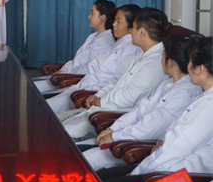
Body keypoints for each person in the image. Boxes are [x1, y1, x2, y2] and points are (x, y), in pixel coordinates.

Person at [101, 37, 213, 182]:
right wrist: (161, 143)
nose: (187, 65)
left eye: (190, 61)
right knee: (101, 179)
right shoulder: (204, 97)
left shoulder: (208, 105)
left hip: (174, 177)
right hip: (163, 166)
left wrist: (138, 172)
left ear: (200, 68)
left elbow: (176, 148)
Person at [83, 35, 202, 170]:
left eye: (163, 56)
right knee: (81, 149)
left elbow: (152, 126)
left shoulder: (187, 93)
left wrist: (116, 136)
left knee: (86, 160)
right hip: (128, 137)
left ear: (171, 62)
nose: (160, 60)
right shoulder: (168, 83)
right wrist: (113, 129)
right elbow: (141, 109)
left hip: (138, 146)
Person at [60, 8, 169, 139]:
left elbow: (129, 98)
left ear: (142, 32)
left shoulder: (155, 63)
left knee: (59, 134)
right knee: (55, 123)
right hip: (103, 107)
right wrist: (98, 96)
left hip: (113, 115)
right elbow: (118, 84)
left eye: (133, 28)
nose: (131, 32)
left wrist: (101, 101)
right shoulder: (143, 55)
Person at [47, 4, 142, 114]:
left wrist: (97, 96)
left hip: (90, 92)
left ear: (132, 26)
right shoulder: (120, 43)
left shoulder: (131, 49)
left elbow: (116, 82)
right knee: (42, 102)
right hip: (83, 84)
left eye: (119, 21)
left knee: (42, 108)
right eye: (115, 19)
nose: (113, 24)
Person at [34, 0, 116, 93]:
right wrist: (63, 70)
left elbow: (89, 69)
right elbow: (76, 60)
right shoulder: (93, 36)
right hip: (67, 74)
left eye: (92, 13)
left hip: (75, 80)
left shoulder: (105, 43)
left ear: (102, 17)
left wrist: (65, 73)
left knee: (33, 90)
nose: (89, 16)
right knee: (31, 83)